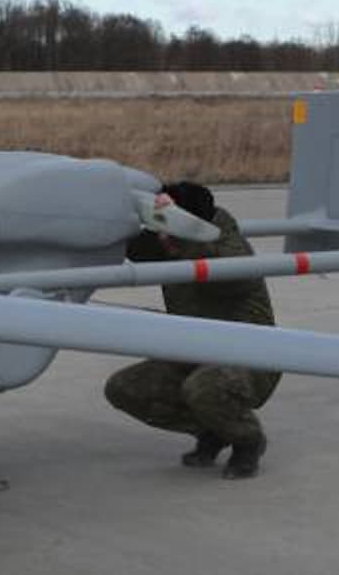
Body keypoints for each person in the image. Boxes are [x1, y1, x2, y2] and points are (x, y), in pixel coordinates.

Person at [103, 180, 281, 479]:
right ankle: (213, 430)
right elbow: (134, 249)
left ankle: (247, 440)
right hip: (195, 350)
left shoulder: (229, 244)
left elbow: (223, 272)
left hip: (249, 357)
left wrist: (179, 235)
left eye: (169, 219)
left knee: (202, 389)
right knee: (125, 388)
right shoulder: (171, 243)